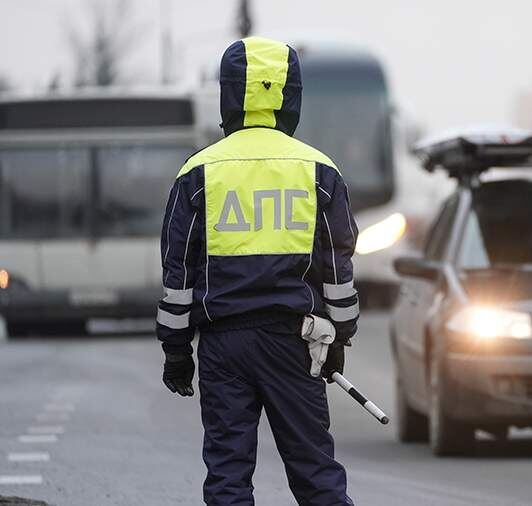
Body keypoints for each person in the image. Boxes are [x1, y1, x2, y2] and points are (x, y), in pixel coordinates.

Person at [155, 36, 358, 506]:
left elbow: (178, 273)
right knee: (315, 471)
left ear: (228, 93)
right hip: (296, 344)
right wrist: (340, 338)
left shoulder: (198, 172)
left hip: (223, 348)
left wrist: (176, 351)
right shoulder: (320, 171)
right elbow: (337, 267)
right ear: (292, 96)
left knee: (228, 475)